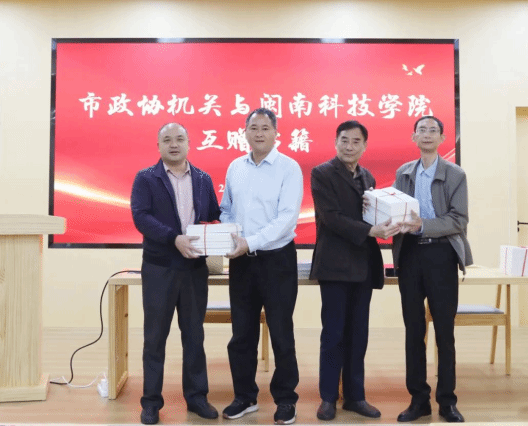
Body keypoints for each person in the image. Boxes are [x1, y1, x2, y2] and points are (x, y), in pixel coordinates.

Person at [130, 122, 221, 425]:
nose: (173, 144)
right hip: (160, 268)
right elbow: (141, 217)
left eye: (179, 139)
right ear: (158, 146)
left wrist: (224, 232)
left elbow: (213, 216)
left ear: (189, 143)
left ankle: (196, 398)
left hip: (194, 269)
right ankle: (150, 403)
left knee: (194, 336)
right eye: (167, 140)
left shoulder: (203, 179)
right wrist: (174, 238)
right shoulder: (146, 178)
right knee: (155, 338)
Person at [309, 120, 399, 421]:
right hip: (335, 266)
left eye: (356, 141)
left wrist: (388, 223)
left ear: (364, 145)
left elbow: (372, 214)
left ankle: (355, 396)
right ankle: (328, 398)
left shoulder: (367, 176)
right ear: (336, 142)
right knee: (333, 334)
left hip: (363, 266)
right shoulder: (322, 173)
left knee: (358, 334)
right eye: (344, 140)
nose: (349, 146)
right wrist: (371, 230)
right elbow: (330, 217)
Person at [220, 108, 303, 425]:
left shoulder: (289, 168)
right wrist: (229, 234)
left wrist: (250, 242)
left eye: (265, 128)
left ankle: (286, 399)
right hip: (242, 262)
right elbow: (227, 209)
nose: (258, 133)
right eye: (253, 127)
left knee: (281, 332)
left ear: (276, 133)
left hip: (277, 260)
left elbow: (287, 219)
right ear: (244, 132)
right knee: (241, 333)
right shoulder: (235, 167)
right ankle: (244, 396)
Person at [392, 116, 473, 423]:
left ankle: (447, 401)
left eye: (433, 131)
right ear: (413, 137)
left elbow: (459, 219)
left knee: (444, 332)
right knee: (414, 331)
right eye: (421, 130)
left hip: (441, 255)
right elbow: (396, 210)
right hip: (410, 255)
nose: (427, 135)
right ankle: (418, 400)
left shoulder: (455, 174)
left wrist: (422, 225)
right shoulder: (403, 172)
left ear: (442, 138)